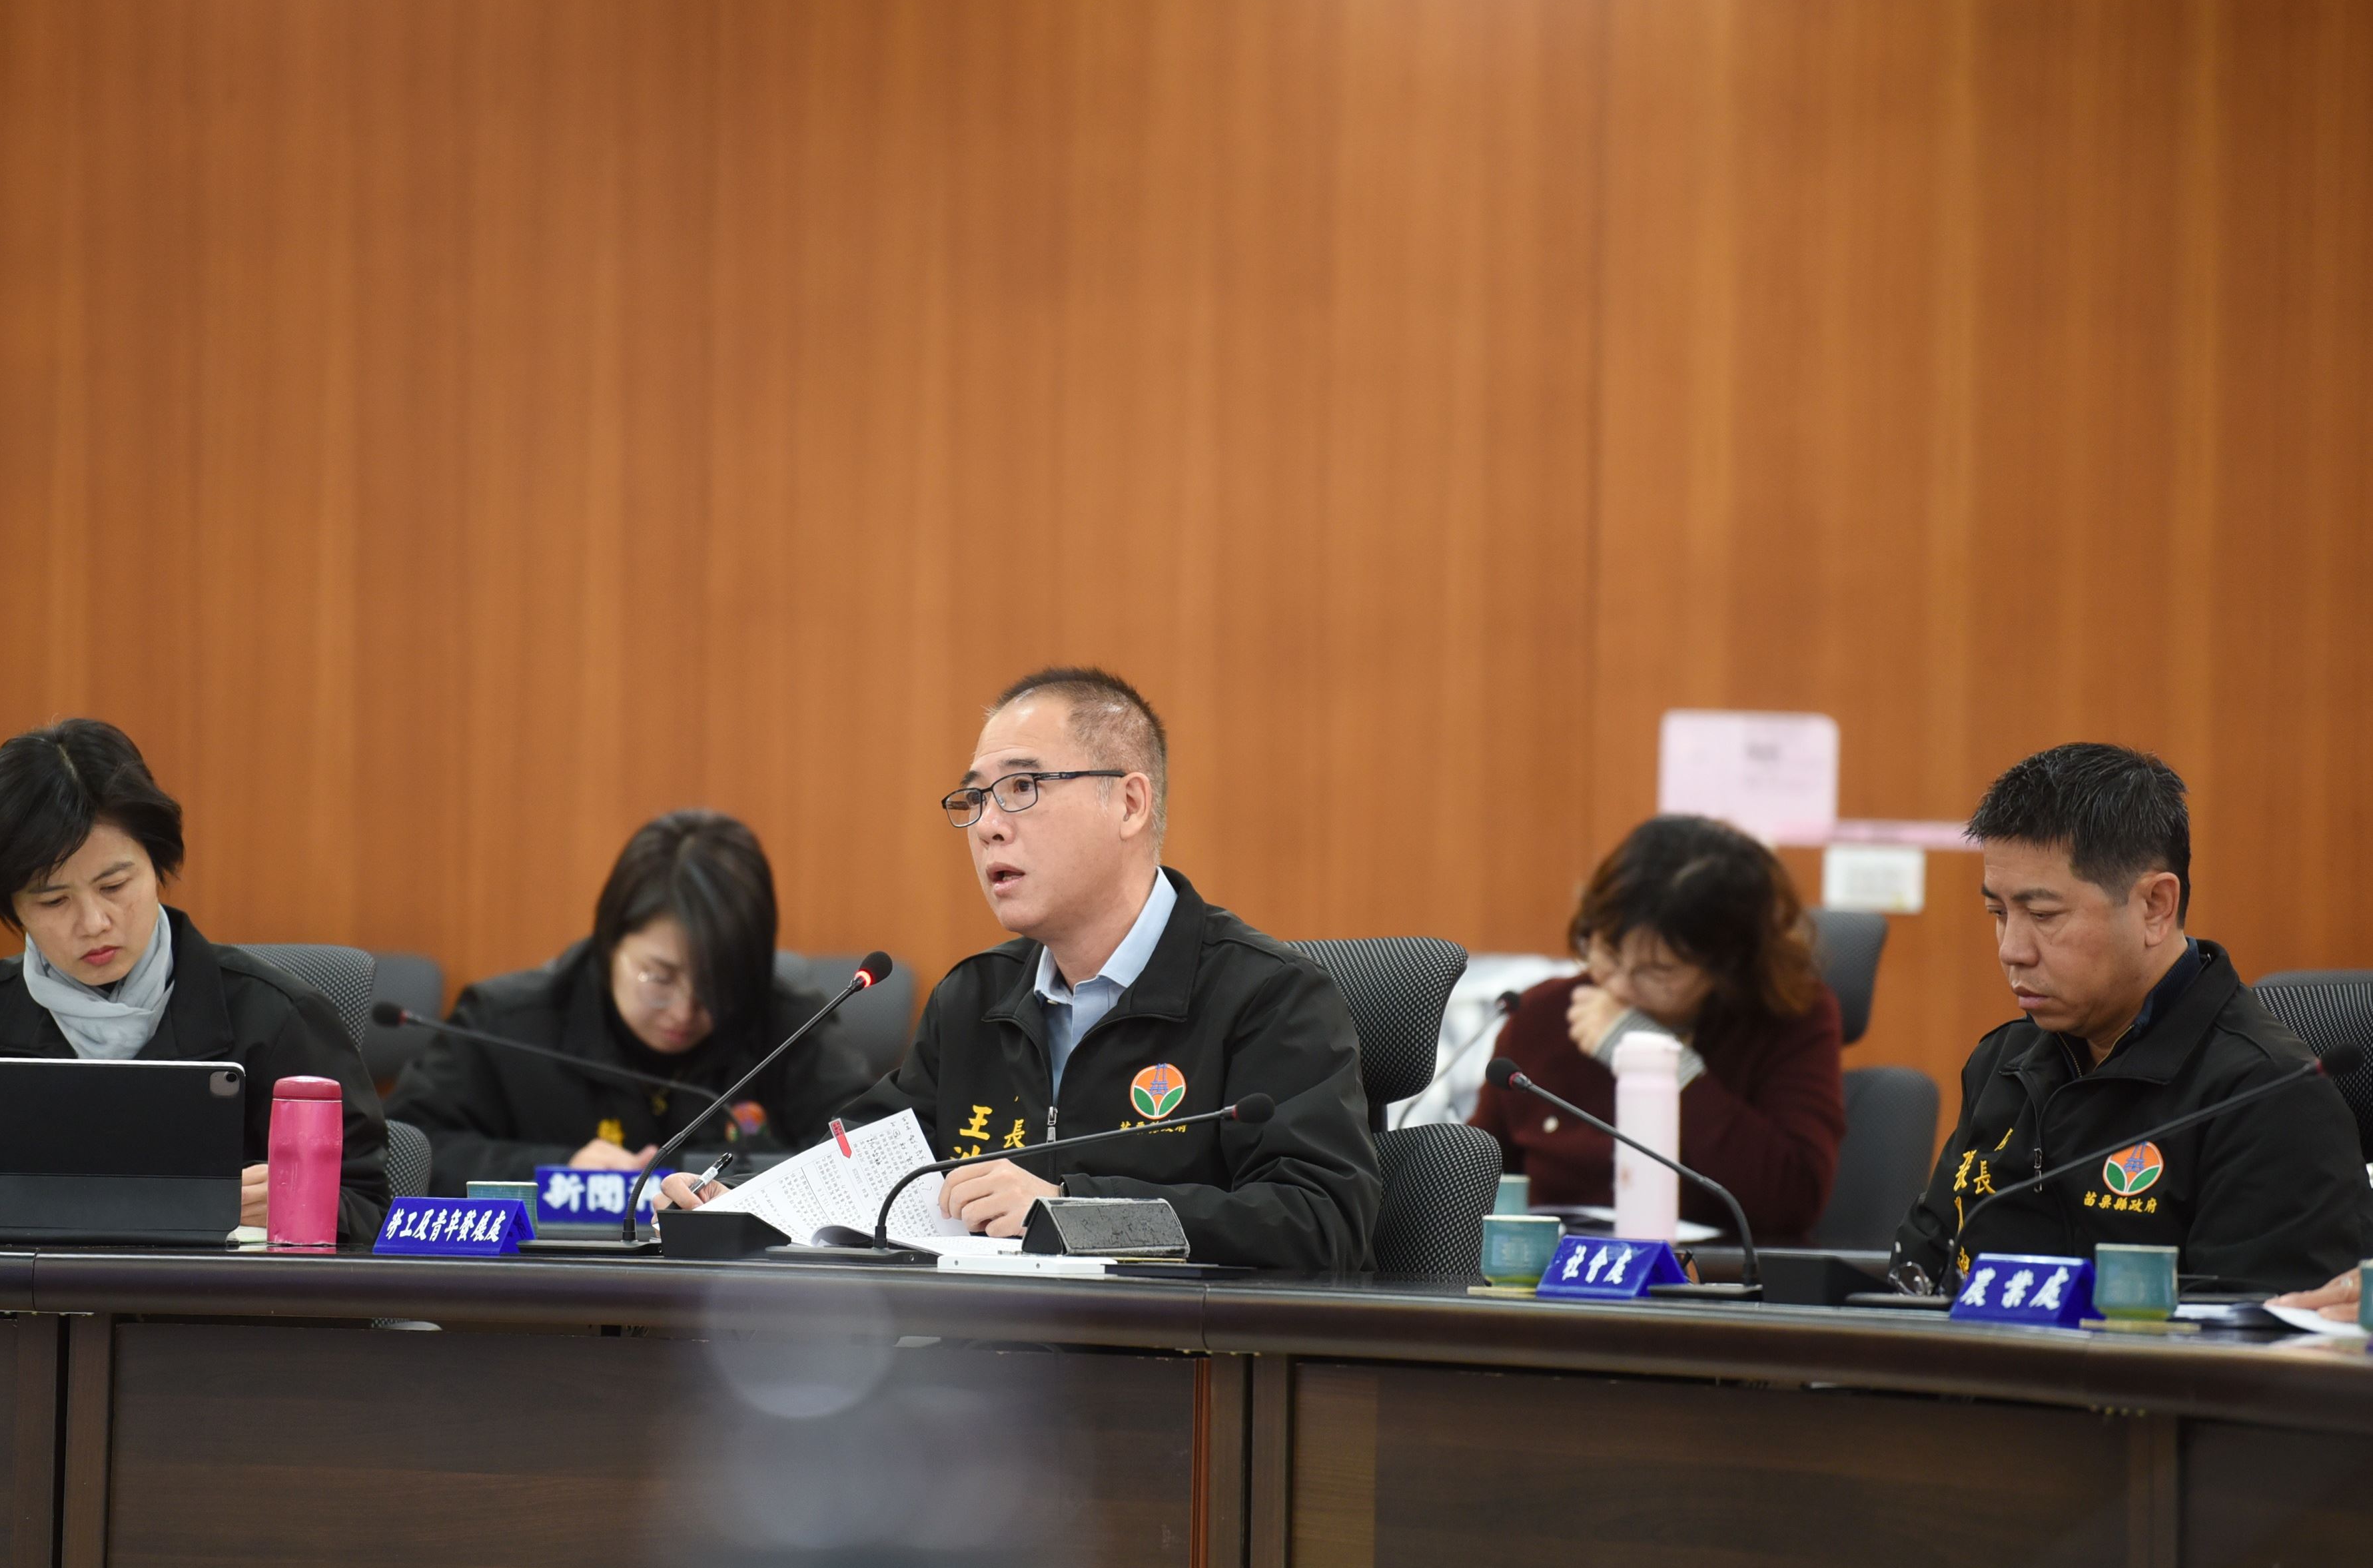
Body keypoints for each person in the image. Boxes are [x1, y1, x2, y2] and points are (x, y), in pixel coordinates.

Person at [665, 666, 1379, 1270]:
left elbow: (1323, 1223)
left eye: (1022, 787)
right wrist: (745, 1206)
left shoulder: (1268, 998)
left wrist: (1069, 1211)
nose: (987, 825)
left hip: (1174, 1375)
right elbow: (860, 1171)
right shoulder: (974, 1000)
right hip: (981, 1368)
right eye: (976, 798)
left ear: (1129, 804)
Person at [0, 720, 389, 1241]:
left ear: (158, 864)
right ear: (11, 907)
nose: (94, 922)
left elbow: (373, 1209)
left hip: (212, 1335)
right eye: (53, 900)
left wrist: (301, 1204)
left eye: (115, 884)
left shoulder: (276, 1017)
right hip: (22, 1328)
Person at [1891, 744, 2368, 1295]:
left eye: (2043, 914)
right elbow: (1917, 1272)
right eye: (1998, 913)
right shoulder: (2003, 1063)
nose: (2011, 949)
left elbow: (2249, 1332)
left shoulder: (2268, 1094)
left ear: (2155, 906)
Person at [387, 810, 875, 1196]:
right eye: (659, 977)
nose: (684, 1011)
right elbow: (402, 1152)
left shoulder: (792, 1024)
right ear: (609, 942)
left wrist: (735, 1188)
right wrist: (556, 1171)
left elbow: (865, 1152)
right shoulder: (504, 1022)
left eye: (717, 984)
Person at [1470, 817, 1846, 1240]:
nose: (1618, 987)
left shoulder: (1790, 1019)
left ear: (1727, 966)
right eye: (1608, 953)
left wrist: (1662, 1064)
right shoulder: (1542, 1015)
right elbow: (1478, 1180)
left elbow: (1792, 1199)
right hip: (1557, 1270)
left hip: (1711, 1274)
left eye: (1658, 970)